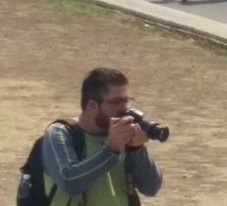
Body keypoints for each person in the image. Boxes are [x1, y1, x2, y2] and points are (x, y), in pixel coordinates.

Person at [40, 68, 162, 204]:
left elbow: (151, 188)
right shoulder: (60, 133)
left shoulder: (123, 135)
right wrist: (111, 149)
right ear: (92, 105)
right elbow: (70, 182)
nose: (124, 108)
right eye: (116, 102)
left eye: (126, 100)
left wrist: (137, 150)